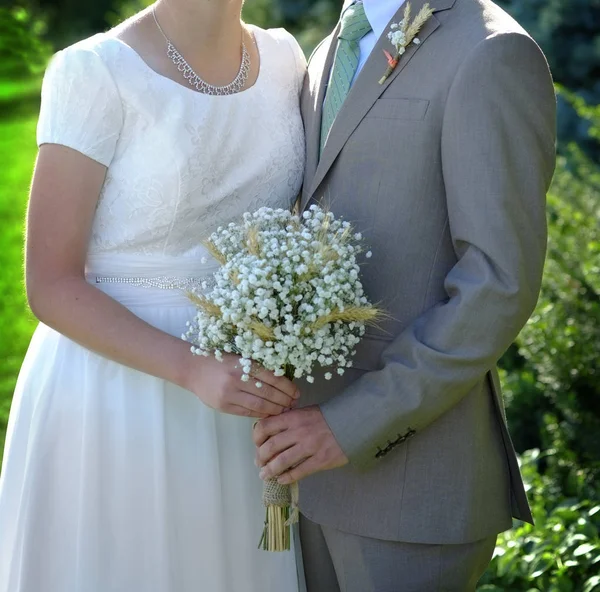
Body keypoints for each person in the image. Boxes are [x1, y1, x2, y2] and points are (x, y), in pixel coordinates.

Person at [0, 0, 307, 590]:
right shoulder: (94, 72)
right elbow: (50, 282)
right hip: (118, 394)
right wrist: (192, 370)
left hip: (246, 394)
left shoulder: (284, 58)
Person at [253, 0, 557, 589]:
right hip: (307, 474)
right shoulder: (336, 41)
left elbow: (498, 284)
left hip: (413, 496)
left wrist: (351, 424)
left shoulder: (492, 51)